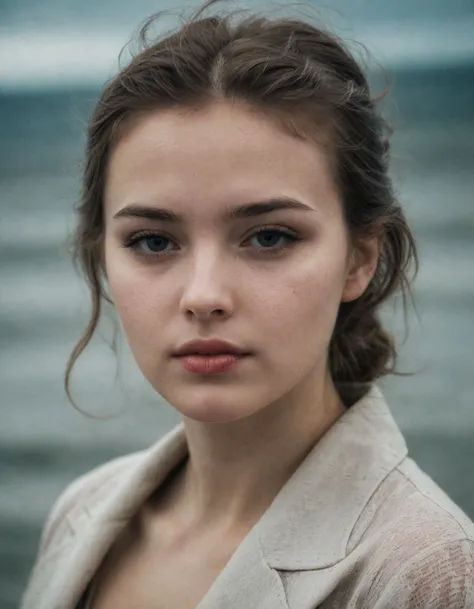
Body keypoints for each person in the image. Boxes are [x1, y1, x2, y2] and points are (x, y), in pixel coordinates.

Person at [21, 1, 474, 607]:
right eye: (153, 241)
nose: (204, 295)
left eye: (269, 237)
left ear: (360, 257)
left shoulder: (424, 571)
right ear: (103, 254)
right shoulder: (81, 512)